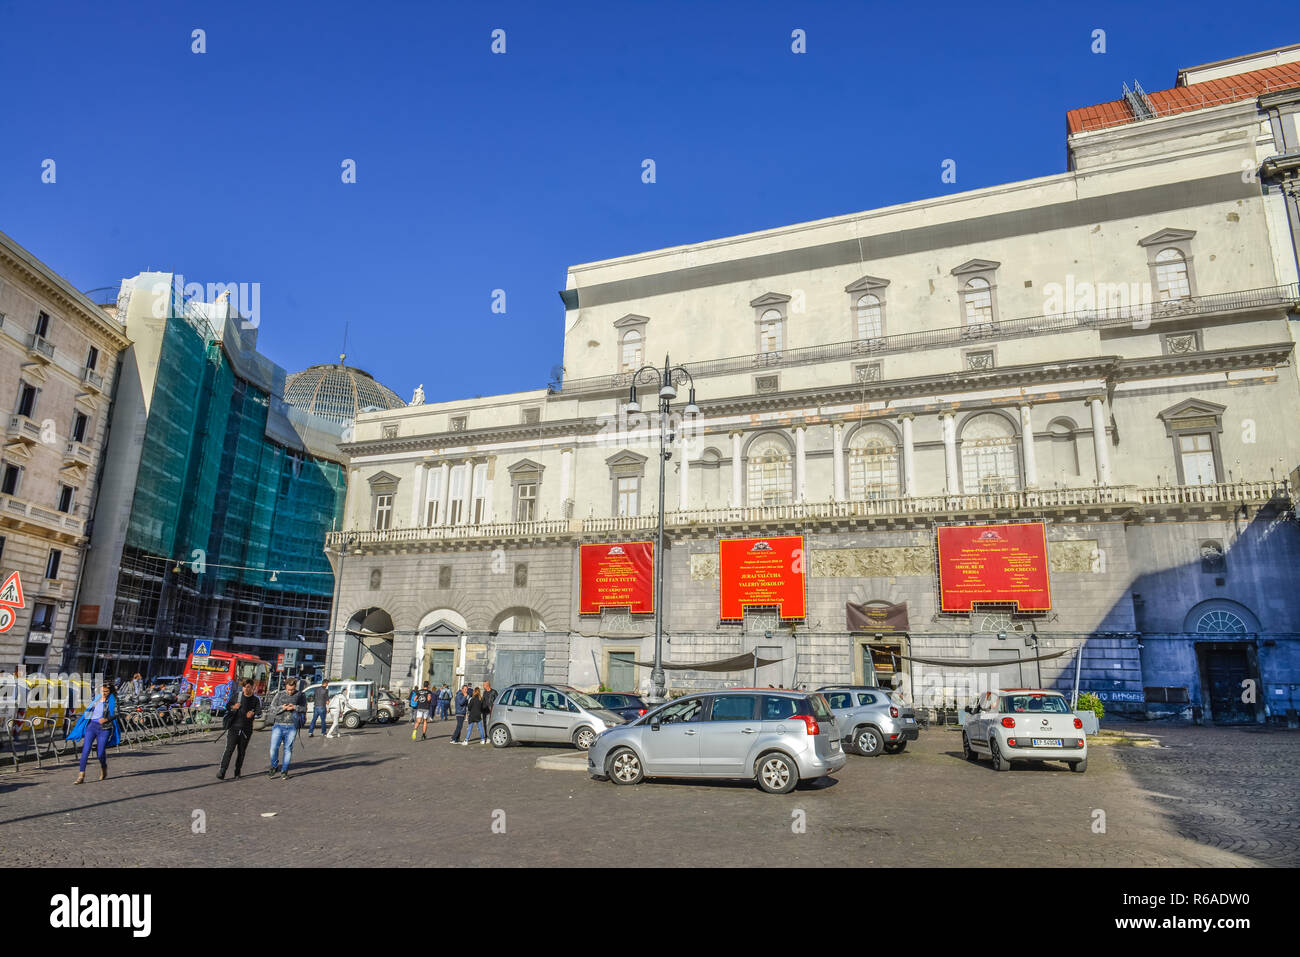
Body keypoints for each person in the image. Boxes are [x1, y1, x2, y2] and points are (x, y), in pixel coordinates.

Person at [68, 681, 119, 785]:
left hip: (104, 728)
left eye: (106, 691)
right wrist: (83, 720)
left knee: (100, 753)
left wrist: (106, 719)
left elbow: (117, 713)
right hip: (92, 726)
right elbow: (90, 710)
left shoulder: (113, 700)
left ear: (110, 691)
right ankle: (81, 776)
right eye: (102, 690)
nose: (104, 693)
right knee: (85, 750)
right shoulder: (96, 698)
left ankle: (103, 767)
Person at [218, 679, 260, 780]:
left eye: (248, 687)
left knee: (241, 751)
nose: (246, 689)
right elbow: (227, 706)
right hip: (234, 727)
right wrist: (233, 707)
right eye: (244, 687)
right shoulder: (237, 696)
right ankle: (222, 770)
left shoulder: (255, 700)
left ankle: (237, 771)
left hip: (246, 729)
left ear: (253, 688)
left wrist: (253, 713)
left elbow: (259, 712)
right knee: (229, 749)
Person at [266, 677, 306, 779]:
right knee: (273, 748)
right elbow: (271, 708)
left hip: (292, 726)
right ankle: (274, 766)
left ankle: (284, 770)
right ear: (285, 687)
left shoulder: (300, 695)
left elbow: (304, 708)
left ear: (295, 687)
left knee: (288, 749)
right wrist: (282, 707)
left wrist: (294, 707)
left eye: (292, 690)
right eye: (288, 689)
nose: (290, 692)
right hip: (278, 725)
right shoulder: (279, 694)